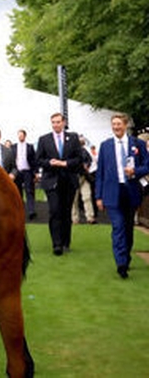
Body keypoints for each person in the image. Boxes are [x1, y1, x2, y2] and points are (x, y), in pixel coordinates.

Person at [94, 113, 149, 278]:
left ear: (125, 125)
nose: (116, 127)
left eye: (119, 124)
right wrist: (98, 196)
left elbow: (147, 165)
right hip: (112, 192)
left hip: (131, 191)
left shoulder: (137, 144)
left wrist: (136, 171)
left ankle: (126, 256)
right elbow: (100, 173)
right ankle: (121, 263)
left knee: (127, 229)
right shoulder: (106, 146)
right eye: (114, 124)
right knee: (118, 227)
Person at [36, 113, 83, 256]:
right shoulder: (44, 139)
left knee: (66, 212)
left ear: (63, 123)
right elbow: (38, 160)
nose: (55, 125)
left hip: (69, 180)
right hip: (51, 180)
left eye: (58, 122)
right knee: (55, 211)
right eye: (53, 122)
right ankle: (56, 244)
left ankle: (65, 241)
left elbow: (79, 158)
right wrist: (49, 163)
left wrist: (65, 163)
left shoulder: (73, 138)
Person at [13, 129, 37, 220]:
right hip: (17, 172)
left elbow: (34, 160)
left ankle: (31, 211)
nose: (20, 137)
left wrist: (35, 173)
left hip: (27, 171)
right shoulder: (13, 147)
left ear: (25, 136)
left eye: (21, 135)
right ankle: (20, 210)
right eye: (19, 135)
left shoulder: (30, 147)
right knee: (18, 192)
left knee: (29, 191)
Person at [72, 135, 96, 224]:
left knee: (87, 197)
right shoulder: (70, 152)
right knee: (74, 200)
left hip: (84, 177)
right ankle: (74, 218)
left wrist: (87, 166)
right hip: (74, 178)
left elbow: (89, 161)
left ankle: (90, 217)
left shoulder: (84, 151)